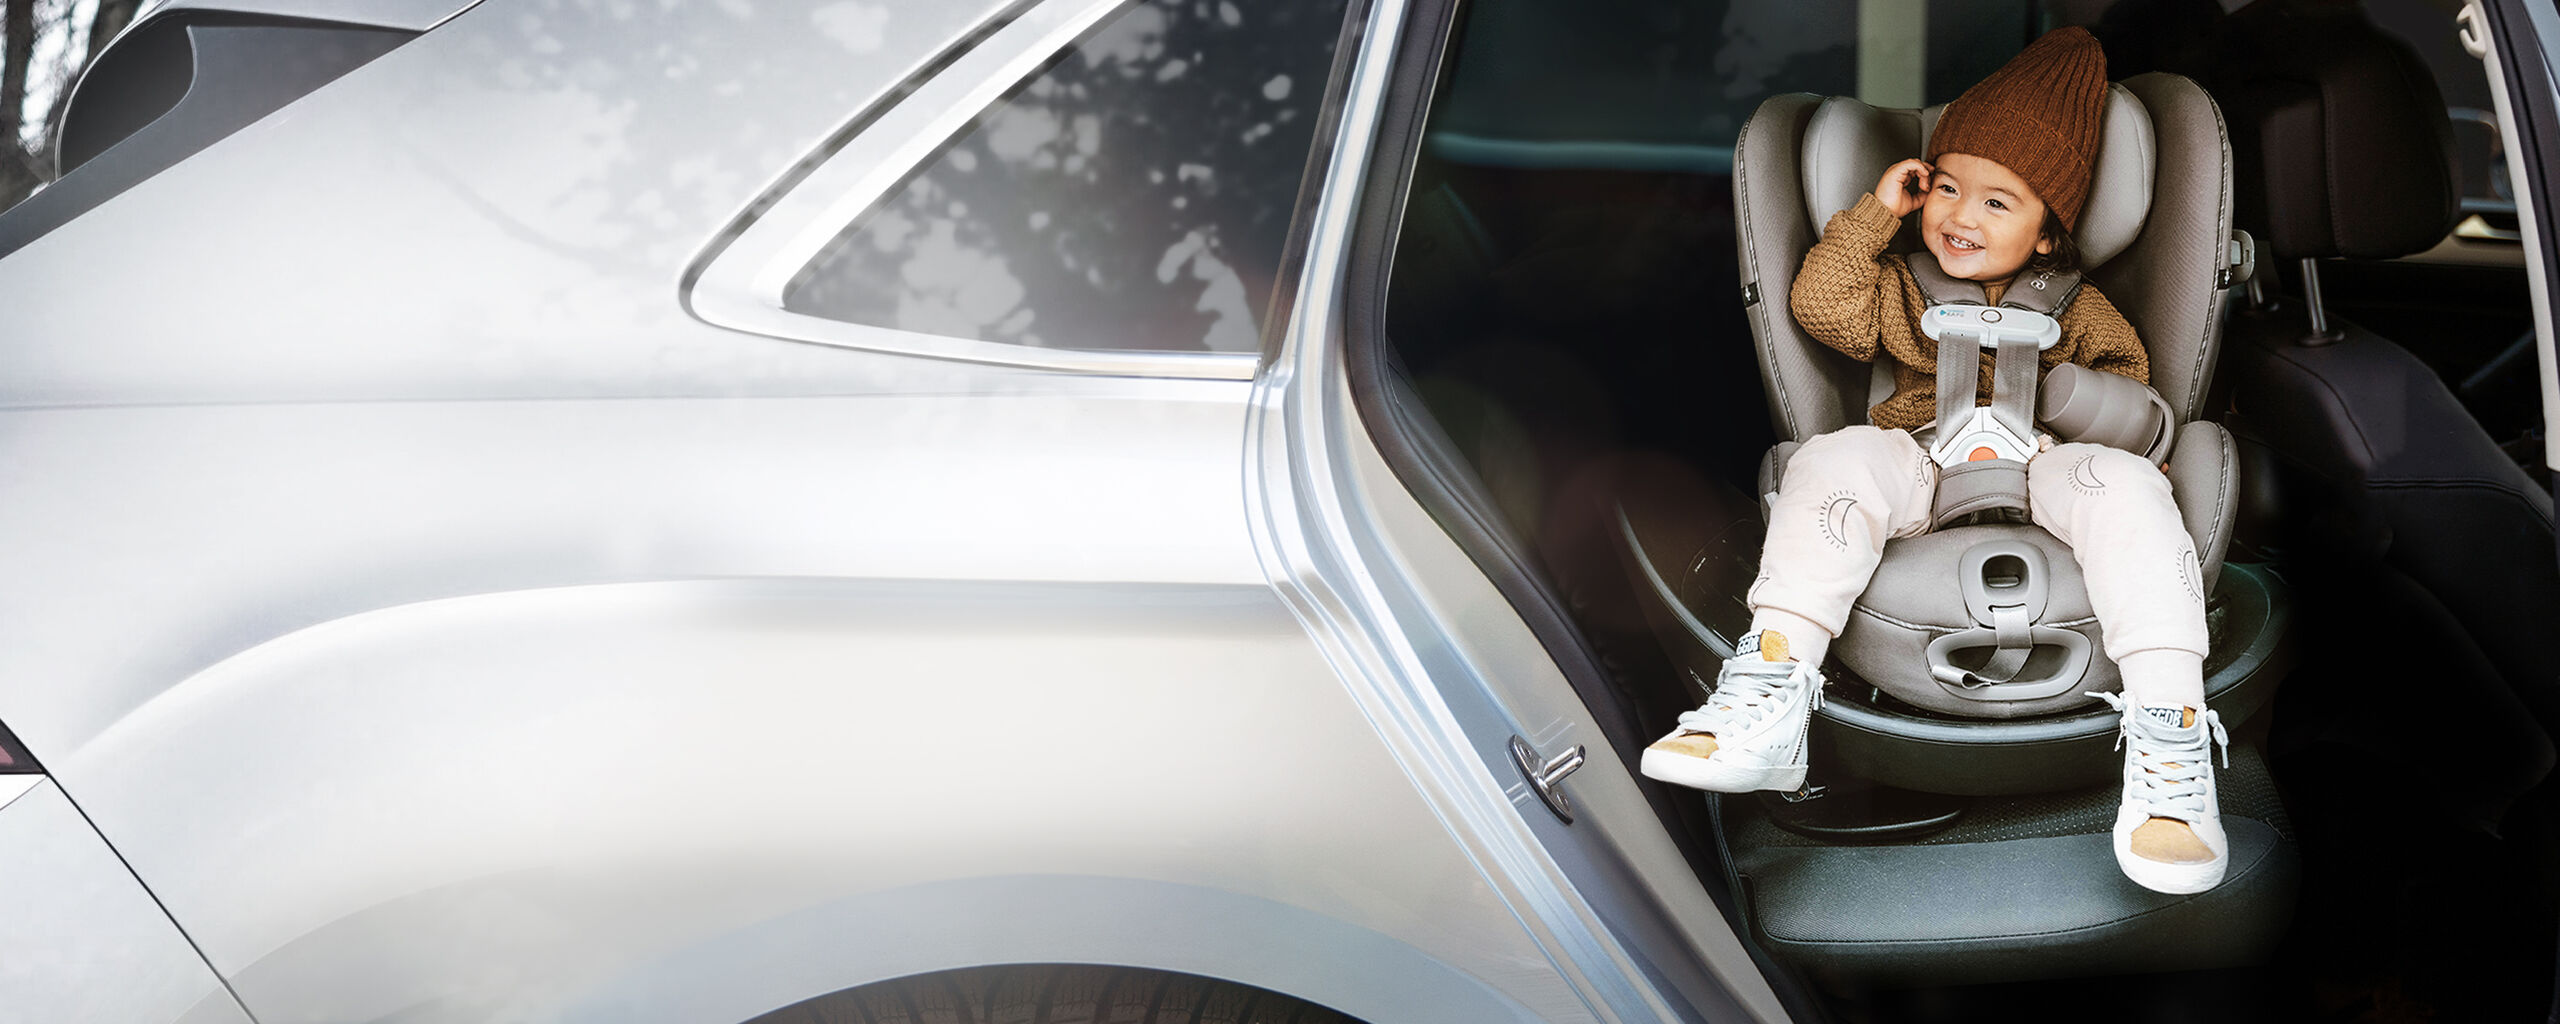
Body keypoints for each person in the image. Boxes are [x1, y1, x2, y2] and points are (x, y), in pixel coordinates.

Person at [1639, 27, 2229, 895]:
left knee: (2132, 486)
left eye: (1998, 202)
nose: (1961, 215)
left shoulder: (2082, 309)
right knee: (1833, 460)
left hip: (2050, 461)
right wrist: (1880, 213)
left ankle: (2170, 736)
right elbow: (1821, 304)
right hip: (1919, 455)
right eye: (1948, 187)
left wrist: (2089, 409)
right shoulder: (1903, 286)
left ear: (2047, 234)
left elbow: (2139, 403)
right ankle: (1770, 685)